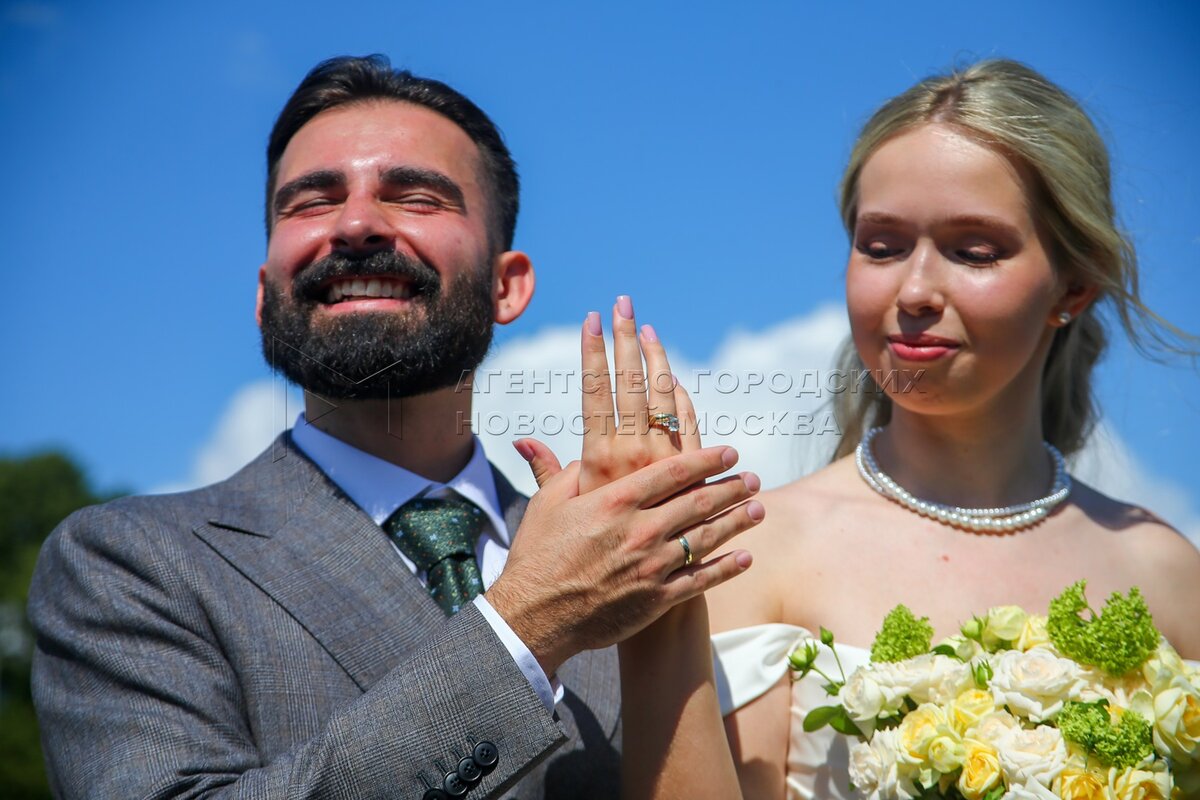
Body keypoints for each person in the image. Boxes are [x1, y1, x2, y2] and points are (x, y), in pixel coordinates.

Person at [26, 55, 762, 800]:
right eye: (311, 203)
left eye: (415, 197)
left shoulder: (637, 561)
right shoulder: (127, 566)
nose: (355, 225)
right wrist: (530, 622)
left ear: (506, 285)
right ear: (264, 292)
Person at [530, 58, 1200, 800]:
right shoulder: (753, 550)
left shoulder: (1168, 573)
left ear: (1074, 287)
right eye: (881, 247)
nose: (914, 291)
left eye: (974, 251)